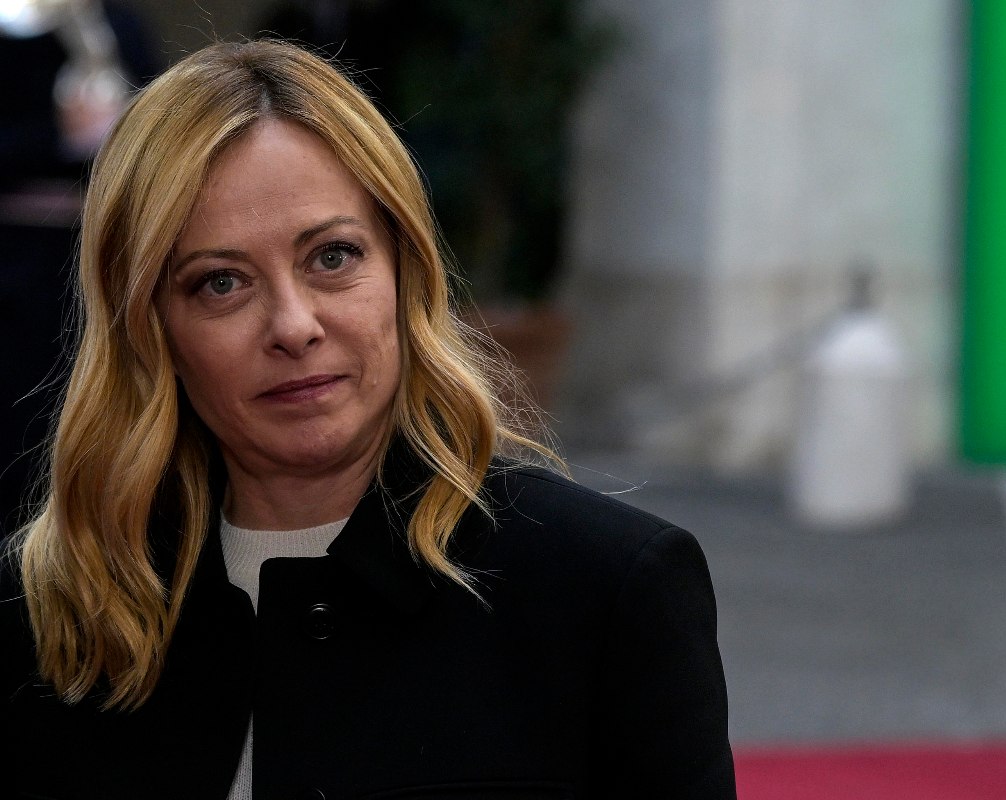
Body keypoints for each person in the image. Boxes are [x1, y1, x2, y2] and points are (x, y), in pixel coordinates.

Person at [0, 40, 736, 799]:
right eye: (221, 282)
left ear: (404, 270)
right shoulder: (55, 611)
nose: (293, 326)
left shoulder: (607, 588)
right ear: (150, 329)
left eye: (332, 257)